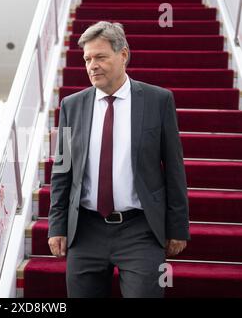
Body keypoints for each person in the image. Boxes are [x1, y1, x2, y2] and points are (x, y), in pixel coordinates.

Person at [48, 21, 190, 298]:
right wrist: (57, 225)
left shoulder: (158, 100)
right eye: (87, 59)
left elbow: (174, 167)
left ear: (123, 55)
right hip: (85, 230)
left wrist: (178, 226)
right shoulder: (70, 105)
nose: (92, 65)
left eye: (100, 57)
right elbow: (61, 169)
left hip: (140, 230)